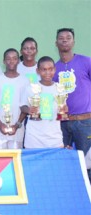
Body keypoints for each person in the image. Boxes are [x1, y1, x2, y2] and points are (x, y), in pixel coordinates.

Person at [53, 28, 91, 181]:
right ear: (56, 43)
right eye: (61, 38)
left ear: (73, 42)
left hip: (85, 121)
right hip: (62, 123)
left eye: (68, 37)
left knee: (87, 164)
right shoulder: (53, 68)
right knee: (63, 162)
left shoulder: (86, 61)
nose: (64, 40)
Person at [0, 48, 29, 149]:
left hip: (17, 131)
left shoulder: (25, 81)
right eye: (8, 59)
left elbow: (25, 106)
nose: (11, 61)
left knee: (15, 161)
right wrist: (0, 124)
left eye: (14, 58)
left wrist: (17, 125)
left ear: (18, 61)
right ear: (3, 61)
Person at [21, 56, 64, 148]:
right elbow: (22, 106)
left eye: (50, 69)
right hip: (34, 138)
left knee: (54, 162)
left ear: (55, 69)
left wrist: (64, 110)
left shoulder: (60, 88)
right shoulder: (31, 88)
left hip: (54, 138)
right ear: (38, 71)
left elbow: (62, 110)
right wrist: (29, 110)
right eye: (44, 70)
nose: (48, 73)